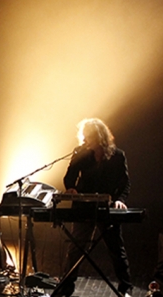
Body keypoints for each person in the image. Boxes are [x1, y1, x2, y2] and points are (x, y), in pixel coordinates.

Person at [53, 118, 132, 297]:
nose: (85, 140)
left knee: (116, 248)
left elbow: (125, 183)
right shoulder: (81, 153)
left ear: (99, 136)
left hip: (106, 206)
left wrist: (120, 200)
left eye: (88, 136)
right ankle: (66, 288)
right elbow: (69, 177)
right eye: (84, 136)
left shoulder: (117, 156)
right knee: (76, 247)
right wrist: (71, 188)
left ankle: (125, 289)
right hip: (83, 205)